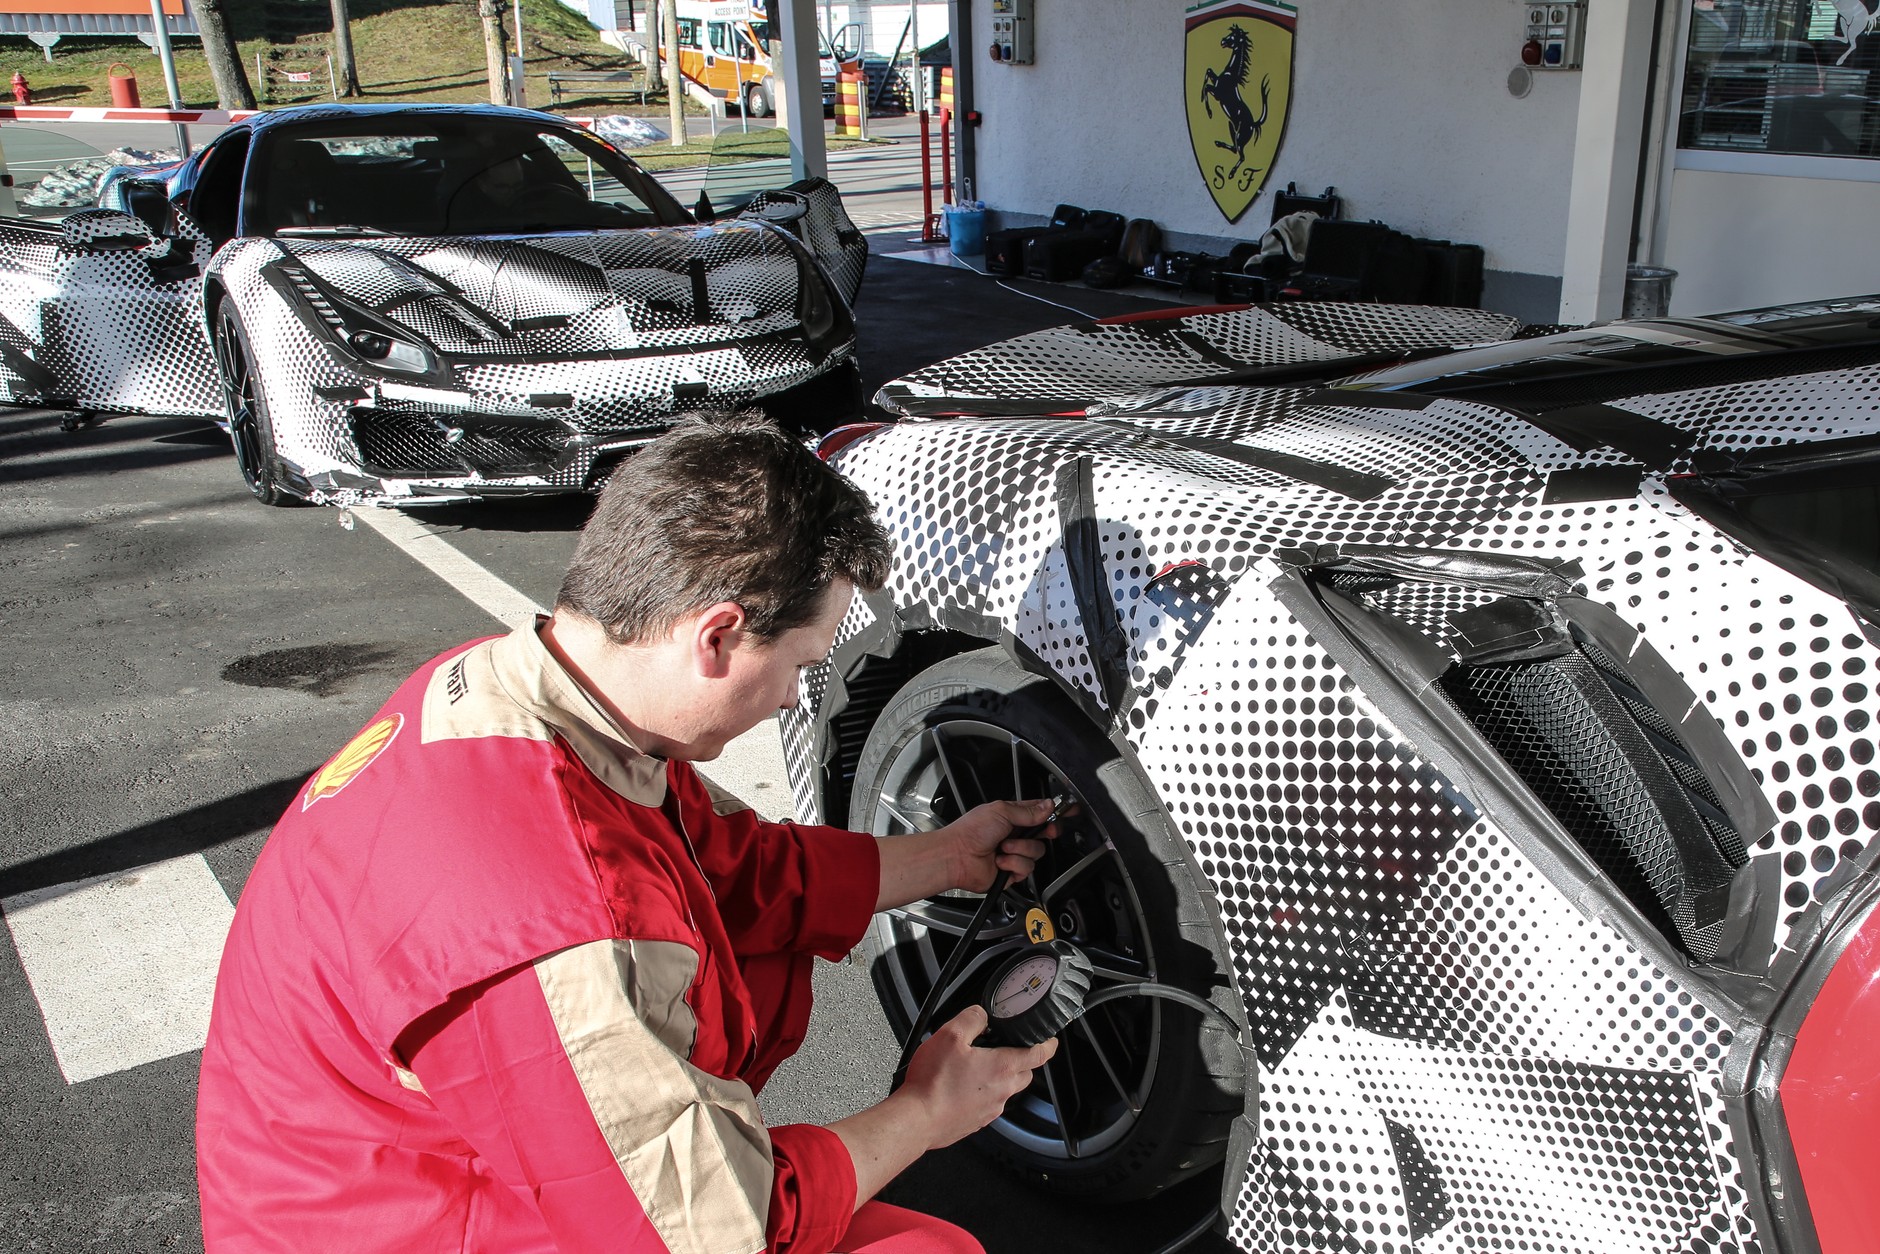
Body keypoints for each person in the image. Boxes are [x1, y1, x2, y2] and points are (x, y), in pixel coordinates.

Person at [196, 413, 1061, 1254]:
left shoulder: (522, 698)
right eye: (801, 662)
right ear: (717, 636)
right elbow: (708, 1234)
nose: (797, 696)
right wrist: (922, 1113)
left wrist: (950, 854)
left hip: (377, 1172)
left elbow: (724, 867)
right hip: (408, 1226)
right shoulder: (551, 921)